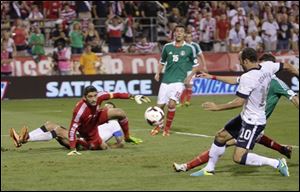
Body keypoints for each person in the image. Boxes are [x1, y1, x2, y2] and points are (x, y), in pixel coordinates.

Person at [175, 48, 298, 177]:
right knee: (221, 136)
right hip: (246, 117)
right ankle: (209, 169)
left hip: (253, 121)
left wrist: (217, 107)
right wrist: (213, 77)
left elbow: (239, 102)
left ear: (245, 60)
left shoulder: (249, 77)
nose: (239, 64)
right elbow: (288, 66)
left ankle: (277, 163)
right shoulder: (267, 66)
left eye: (240, 61)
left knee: (238, 157)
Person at [67, 85, 150, 155]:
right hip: (87, 129)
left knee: (120, 112)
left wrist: (132, 96)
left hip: (96, 117)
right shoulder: (79, 111)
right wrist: (72, 149)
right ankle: (81, 142)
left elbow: (115, 94)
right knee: (102, 147)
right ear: (84, 98)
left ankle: (127, 137)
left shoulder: (100, 96)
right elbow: (72, 129)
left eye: (95, 95)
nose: (94, 99)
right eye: (90, 97)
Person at [9, 102, 126, 152]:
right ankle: (22, 139)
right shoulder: (95, 118)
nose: (105, 109)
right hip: (79, 137)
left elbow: (121, 143)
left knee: (58, 130)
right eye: (105, 107)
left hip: (86, 143)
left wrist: (105, 146)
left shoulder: (114, 124)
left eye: (109, 108)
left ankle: (24, 139)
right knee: (49, 124)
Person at [150, 25, 199, 137]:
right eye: (176, 31)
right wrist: (158, 73)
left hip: (179, 81)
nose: (179, 33)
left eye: (181, 31)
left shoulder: (190, 48)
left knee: (171, 104)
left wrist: (189, 77)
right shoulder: (167, 47)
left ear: (184, 34)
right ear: (174, 34)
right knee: (159, 106)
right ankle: (158, 126)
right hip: (166, 80)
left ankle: (166, 129)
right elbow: (162, 62)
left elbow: (196, 65)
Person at [178, 32, 208, 107]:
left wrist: (204, 65)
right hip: (183, 68)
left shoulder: (195, 45)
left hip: (192, 68)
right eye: (186, 37)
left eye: (189, 37)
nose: (188, 39)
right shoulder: (182, 45)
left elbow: (201, 55)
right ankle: (182, 102)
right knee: (184, 85)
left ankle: (186, 102)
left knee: (189, 84)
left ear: (191, 38)